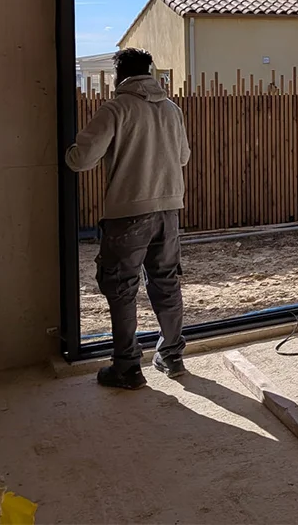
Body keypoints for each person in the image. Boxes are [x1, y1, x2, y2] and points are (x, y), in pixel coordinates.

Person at [66, 48, 192, 388]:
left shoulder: (116, 109)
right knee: (165, 283)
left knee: (121, 289)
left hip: (128, 213)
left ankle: (127, 368)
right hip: (168, 210)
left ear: (120, 76)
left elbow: (81, 160)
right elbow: (183, 157)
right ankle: (172, 356)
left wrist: (70, 150)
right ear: (149, 72)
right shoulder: (171, 109)